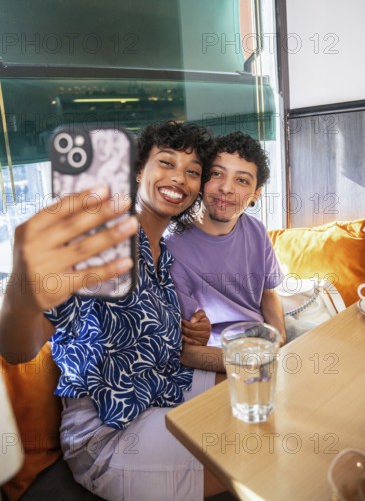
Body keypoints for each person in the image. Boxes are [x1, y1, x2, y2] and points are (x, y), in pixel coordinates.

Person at [0, 121, 226, 501]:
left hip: (164, 394)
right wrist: (23, 289)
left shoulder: (165, 258)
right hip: (107, 434)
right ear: (139, 170)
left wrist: (193, 335)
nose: (179, 178)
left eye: (192, 172)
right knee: (263, 455)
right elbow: (17, 349)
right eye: (166, 163)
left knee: (265, 396)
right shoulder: (101, 244)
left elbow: (153, 344)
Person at [166, 131, 311, 348]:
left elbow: (268, 293)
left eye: (242, 180)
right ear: (202, 179)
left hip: (262, 334)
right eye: (216, 174)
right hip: (219, 348)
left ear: (255, 195)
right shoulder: (172, 245)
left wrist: (279, 336)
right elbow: (187, 333)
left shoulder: (257, 231)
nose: (226, 188)